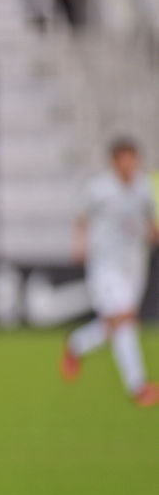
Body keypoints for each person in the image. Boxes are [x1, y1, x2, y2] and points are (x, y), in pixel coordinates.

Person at [61, 137, 159, 407]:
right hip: (105, 263)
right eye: (124, 158)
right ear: (115, 161)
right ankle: (138, 386)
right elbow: (81, 216)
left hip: (134, 264)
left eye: (133, 158)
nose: (129, 163)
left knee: (120, 320)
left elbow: (150, 220)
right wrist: (79, 244)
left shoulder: (144, 187)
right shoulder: (99, 188)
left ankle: (78, 343)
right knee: (125, 317)